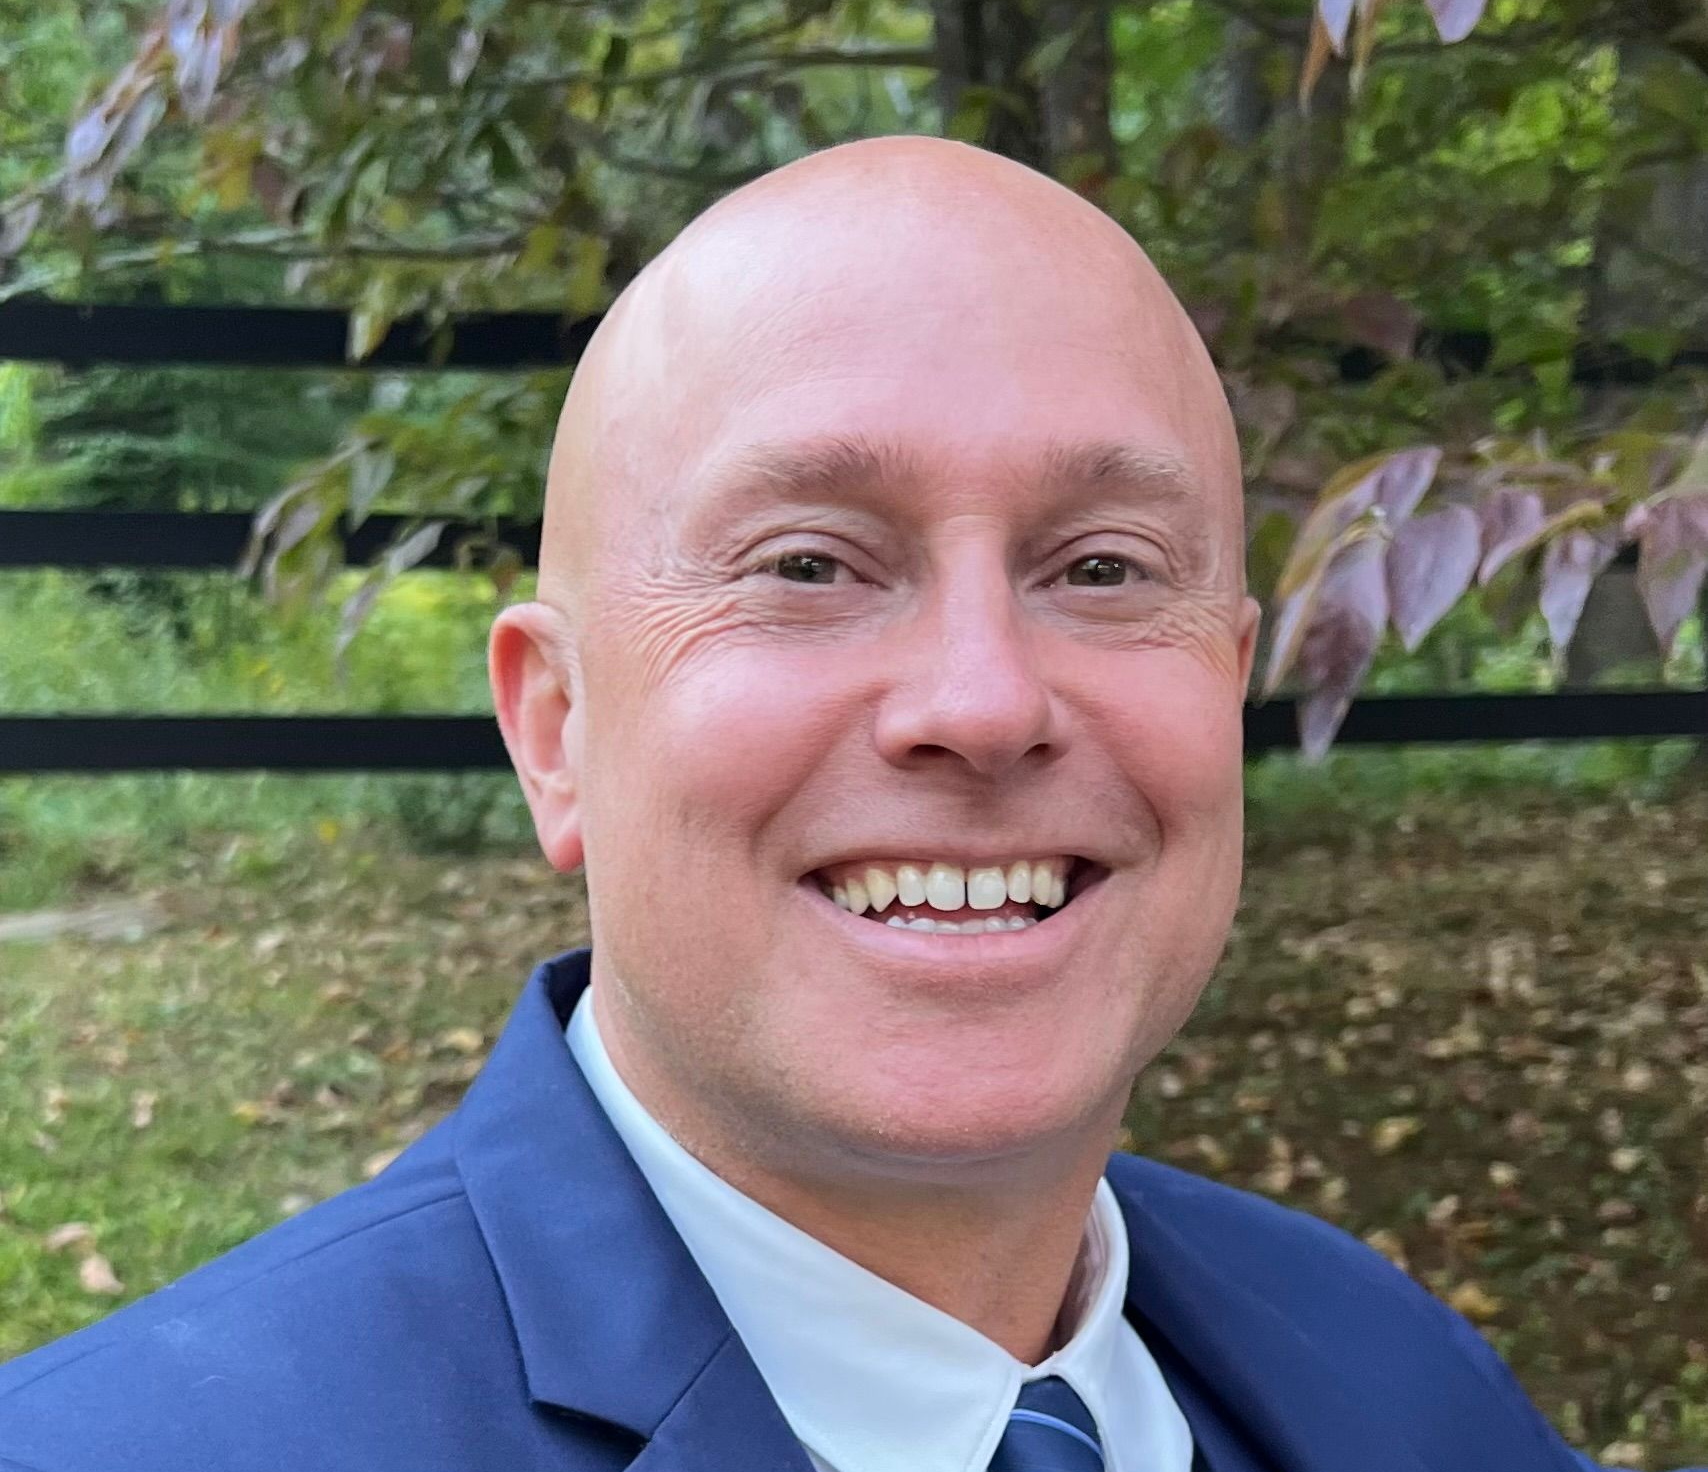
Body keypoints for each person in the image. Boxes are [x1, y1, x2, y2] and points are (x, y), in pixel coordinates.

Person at [0, 133, 1696, 1472]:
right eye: (808, 563)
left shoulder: (1392, 1375)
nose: (980, 700)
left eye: (1103, 567)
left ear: (1231, 679)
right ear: (559, 730)